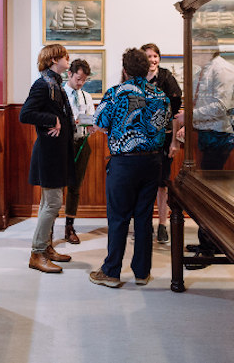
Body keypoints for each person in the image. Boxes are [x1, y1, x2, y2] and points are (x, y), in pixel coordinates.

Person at [89, 48, 171, 288]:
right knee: (144, 217)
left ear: (124, 70)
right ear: (147, 68)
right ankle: (142, 273)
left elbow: (100, 124)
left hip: (124, 162)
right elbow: (164, 126)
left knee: (118, 217)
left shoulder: (115, 94)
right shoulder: (160, 95)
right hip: (152, 161)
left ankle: (112, 272)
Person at [170, 32, 234, 268]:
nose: (192, 54)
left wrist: (188, 117)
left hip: (218, 136)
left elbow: (221, 107)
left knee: (210, 194)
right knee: (204, 190)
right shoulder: (205, 71)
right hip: (206, 134)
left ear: (208, 48)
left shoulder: (222, 70)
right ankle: (207, 242)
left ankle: (210, 246)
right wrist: (189, 125)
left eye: (195, 49)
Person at [20, 44, 76, 273]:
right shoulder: (43, 84)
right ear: (54, 60)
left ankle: (46, 248)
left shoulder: (54, 83)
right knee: (52, 203)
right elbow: (26, 114)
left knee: (48, 202)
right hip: (49, 152)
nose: (68, 59)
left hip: (56, 151)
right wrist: (52, 119)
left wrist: (55, 120)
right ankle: (37, 253)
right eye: (65, 56)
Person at [141, 43, 182, 244]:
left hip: (164, 137)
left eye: (155, 56)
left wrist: (175, 141)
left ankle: (163, 224)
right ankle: (145, 222)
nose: (153, 60)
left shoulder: (166, 78)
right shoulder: (136, 77)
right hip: (141, 140)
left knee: (161, 184)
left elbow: (175, 113)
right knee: (143, 183)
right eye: (148, 56)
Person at [62, 58, 97, 244]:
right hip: (63, 146)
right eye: (78, 78)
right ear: (69, 74)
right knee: (57, 186)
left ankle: (69, 226)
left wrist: (91, 126)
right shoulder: (60, 94)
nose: (81, 83)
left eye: (84, 80)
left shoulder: (86, 97)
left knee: (75, 186)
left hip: (82, 143)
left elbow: (91, 117)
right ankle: (49, 228)